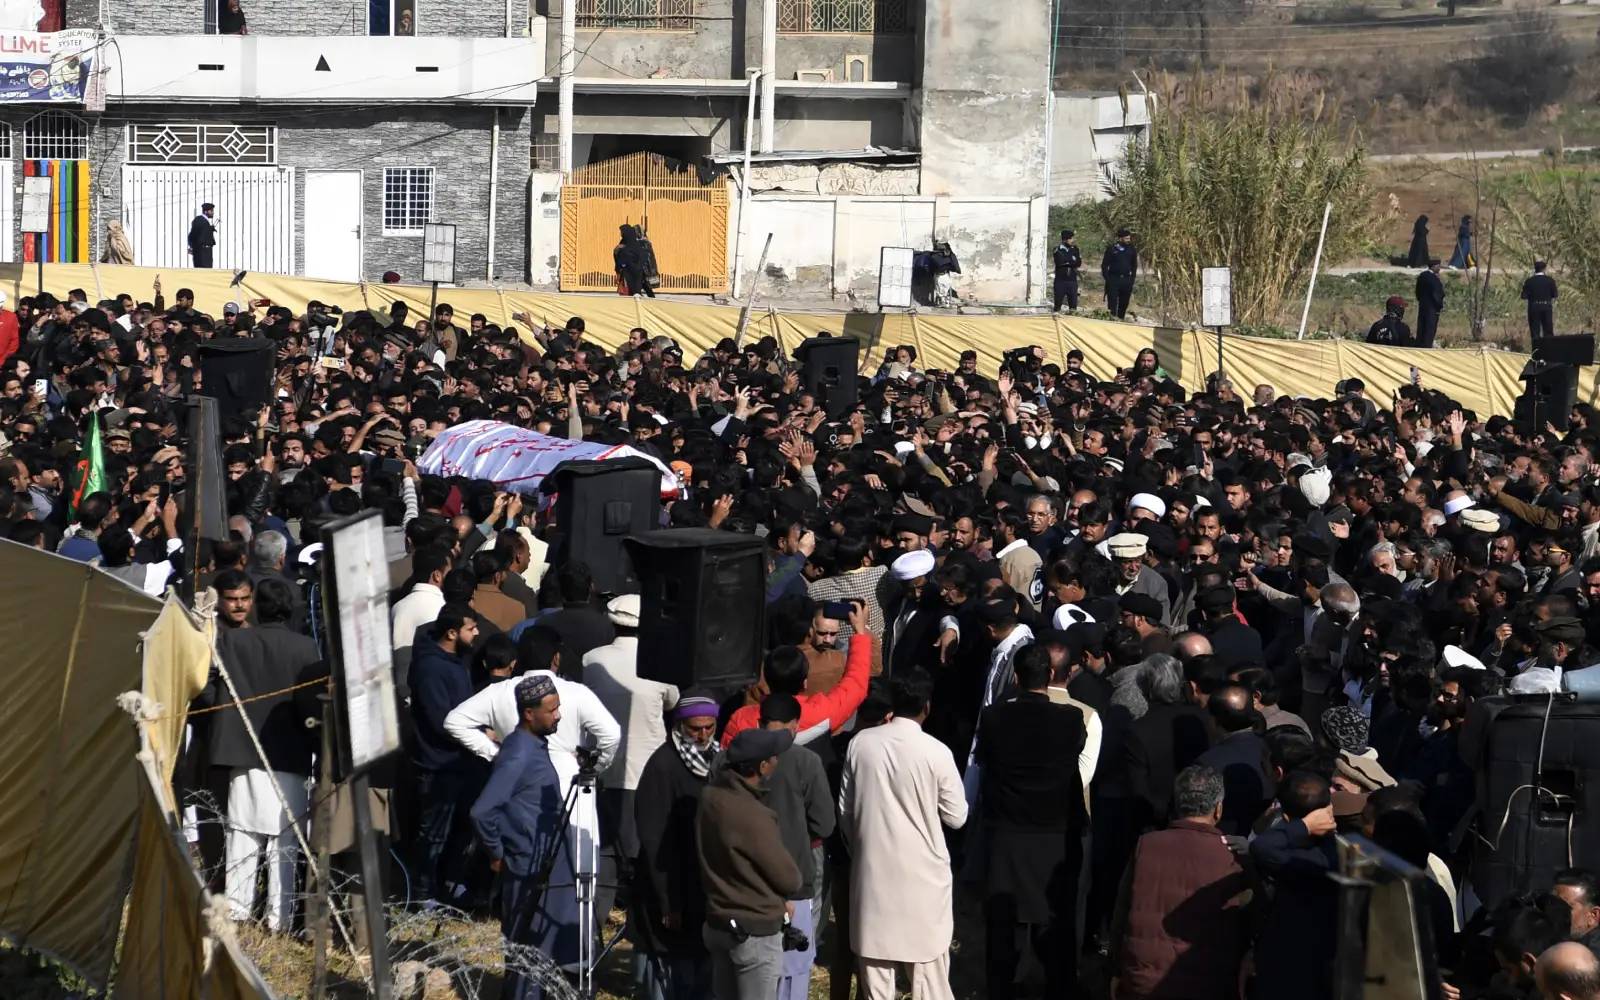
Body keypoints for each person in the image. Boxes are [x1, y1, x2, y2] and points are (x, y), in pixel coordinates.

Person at [840, 669, 967, 1000]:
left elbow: (846, 813)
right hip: (924, 879)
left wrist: (864, 849)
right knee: (931, 983)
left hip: (872, 875)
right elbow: (957, 816)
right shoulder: (936, 752)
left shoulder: (859, 745)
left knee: (875, 985)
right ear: (927, 706)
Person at [201, 577, 318, 931]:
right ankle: (279, 917)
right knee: (285, 838)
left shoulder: (231, 641)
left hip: (242, 746)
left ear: (256, 605)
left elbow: (205, 685)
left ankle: (237, 909)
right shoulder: (306, 647)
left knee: (242, 833)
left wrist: (226, 713)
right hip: (290, 749)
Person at [974, 644, 1087, 1000]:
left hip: (1009, 832)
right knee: (1057, 918)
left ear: (1017, 678)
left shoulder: (994, 719)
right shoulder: (1070, 720)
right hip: (1055, 834)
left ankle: (1004, 988)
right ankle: (1060, 986)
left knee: (1005, 923)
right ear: (1051, 677)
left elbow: (986, 761)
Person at [470, 674, 579, 1000]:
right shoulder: (519, 755)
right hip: (530, 865)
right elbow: (481, 811)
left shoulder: (532, 745)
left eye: (558, 707)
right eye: (551, 710)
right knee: (529, 945)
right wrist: (497, 852)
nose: (558, 715)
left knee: (543, 942)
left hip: (545, 860)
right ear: (529, 714)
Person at [1109, 765, 1252, 1000]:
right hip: (1212, 987)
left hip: (1143, 983)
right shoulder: (1234, 855)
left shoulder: (1146, 845)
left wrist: (1116, 969)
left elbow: (1122, 913)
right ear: (1218, 809)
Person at [696, 727, 802, 1000]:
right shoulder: (754, 815)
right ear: (763, 766)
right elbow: (790, 879)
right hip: (752, 932)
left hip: (719, 921)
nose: (778, 760)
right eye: (775, 756)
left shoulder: (709, 797)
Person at [631, 695, 721, 1000]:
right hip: (671, 884)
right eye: (696, 729)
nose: (704, 736)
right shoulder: (663, 766)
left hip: (702, 886)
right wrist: (669, 900)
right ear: (681, 726)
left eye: (710, 727)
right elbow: (654, 838)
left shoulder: (716, 760)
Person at [582, 593, 679, 864]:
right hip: (648, 767)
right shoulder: (660, 660)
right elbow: (673, 701)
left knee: (604, 846)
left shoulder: (591, 659)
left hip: (603, 765)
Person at [757, 694, 836, 1000]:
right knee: (792, 969)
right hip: (793, 880)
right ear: (795, 727)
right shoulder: (806, 761)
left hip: (748, 881)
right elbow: (825, 824)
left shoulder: (732, 758)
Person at [407, 602, 483, 904]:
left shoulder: (454, 662)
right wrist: (476, 733)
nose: (476, 633)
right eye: (470, 628)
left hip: (458, 761)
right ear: (452, 633)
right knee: (434, 834)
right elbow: (442, 720)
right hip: (438, 764)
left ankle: (446, 886)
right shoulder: (432, 668)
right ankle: (423, 895)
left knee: (456, 830)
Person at [1250, 771, 1340, 1000]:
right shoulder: (1338, 853)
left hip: (1292, 975)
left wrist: (1303, 826)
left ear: (1287, 819)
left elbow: (1261, 847)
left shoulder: (1306, 863)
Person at [1101, 228, 1138, 320]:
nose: (1128, 240)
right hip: (1114, 279)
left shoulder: (1131, 249)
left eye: (1129, 238)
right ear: (1120, 238)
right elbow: (1104, 265)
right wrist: (1108, 279)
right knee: (1112, 304)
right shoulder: (1112, 249)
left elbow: (1134, 266)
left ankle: (1121, 319)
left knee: (1124, 303)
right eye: (1126, 238)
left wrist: (1131, 280)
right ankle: (1112, 320)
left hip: (1126, 280)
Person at [1525, 260, 1558, 343]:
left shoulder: (1529, 281)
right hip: (1546, 307)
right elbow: (1555, 294)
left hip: (1534, 307)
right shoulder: (1550, 280)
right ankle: (1549, 351)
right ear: (1544, 269)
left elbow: (1524, 296)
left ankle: (1536, 352)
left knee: (1535, 333)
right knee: (1548, 332)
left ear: (1535, 269)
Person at [1415, 259, 1445, 349]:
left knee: (1421, 328)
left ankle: (1419, 346)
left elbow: (1417, 292)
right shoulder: (1434, 279)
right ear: (1434, 266)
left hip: (1422, 306)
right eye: (1438, 266)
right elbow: (1436, 295)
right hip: (1432, 308)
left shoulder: (1422, 276)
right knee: (1429, 330)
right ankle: (1426, 348)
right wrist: (1439, 306)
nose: (1439, 268)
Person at [1052, 229, 1082, 313]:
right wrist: (1071, 260)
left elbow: (1078, 263)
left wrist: (1068, 261)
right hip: (1060, 281)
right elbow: (1059, 262)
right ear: (1065, 239)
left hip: (1072, 281)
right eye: (1071, 238)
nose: (1073, 240)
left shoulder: (1075, 249)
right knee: (1058, 305)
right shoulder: (1057, 249)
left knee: (1073, 306)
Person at [188, 202, 216, 268]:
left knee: (208, 270)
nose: (212, 213)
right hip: (201, 252)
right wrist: (192, 246)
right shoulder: (199, 220)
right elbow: (193, 234)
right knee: (203, 270)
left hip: (206, 251)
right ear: (205, 211)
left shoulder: (205, 221)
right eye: (211, 211)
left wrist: (209, 230)